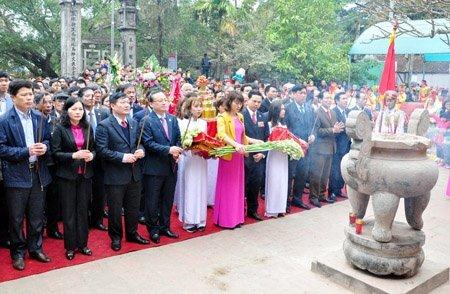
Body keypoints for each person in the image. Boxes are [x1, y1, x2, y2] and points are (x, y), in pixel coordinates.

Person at [0, 80, 52, 270]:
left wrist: (45, 146)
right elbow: (2, 149)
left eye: (30, 94)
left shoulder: (39, 117)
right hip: (16, 175)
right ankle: (18, 253)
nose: (29, 98)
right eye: (24, 95)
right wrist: (26, 151)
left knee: (37, 215)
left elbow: (48, 139)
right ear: (13, 98)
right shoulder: (5, 120)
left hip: (38, 174)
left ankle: (35, 248)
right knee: (16, 218)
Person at [96, 92, 149, 251]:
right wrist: (122, 157)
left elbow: (139, 143)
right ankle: (116, 237)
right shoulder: (104, 125)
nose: (127, 105)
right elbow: (101, 150)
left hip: (134, 173)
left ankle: (132, 234)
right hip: (115, 175)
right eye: (122, 102)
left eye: (128, 102)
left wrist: (141, 150)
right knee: (115, 209)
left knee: (133, 207)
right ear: (112, 105)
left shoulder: (133, 122)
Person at [51, 97, 95, 260]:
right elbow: (55, 153)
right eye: (74, 109)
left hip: (84, 174)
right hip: (67, 176)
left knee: (83, 211)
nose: (78, 112)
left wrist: (91, 155)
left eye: (80, 109)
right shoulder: (60, 129)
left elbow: (94, 149)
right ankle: (70, 246)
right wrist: (73, 155)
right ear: (66, 111)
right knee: (69, 212)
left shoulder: (88, 127)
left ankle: (83, 244)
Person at [214, 91, 261, 229]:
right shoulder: (222, 117)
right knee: (228, 186)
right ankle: (226, 219)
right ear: (229, 102)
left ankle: (236, 218)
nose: (239, 105)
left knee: (238, 187)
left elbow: (243, 136)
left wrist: (253, 141)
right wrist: (236, 145)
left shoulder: (240, 116)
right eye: (236, 102)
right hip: (229, 156)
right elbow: (222, 135)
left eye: (240, 103)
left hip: (239, 156)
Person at [142, 89, 183, 244]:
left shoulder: (172, 119)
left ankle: (165, 226)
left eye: (165, 99)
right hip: (154, 168)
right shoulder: (146, 120)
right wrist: (168, 150)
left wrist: (177, 151)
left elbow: (177, 139)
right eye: (159, 100)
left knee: (167, 199)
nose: (164, 102)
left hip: (171, 166)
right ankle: (153, 229)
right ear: (151, 104)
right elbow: (148, 143)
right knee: (152, 200)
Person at [80, 87, 109, 231]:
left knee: (99, 191)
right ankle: (84, 218)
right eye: (87, 95)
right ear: (81, 98)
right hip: (84, 156)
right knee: (84, 192)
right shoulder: (77, 114)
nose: (91, 98)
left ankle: (97, 219)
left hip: (101, 156)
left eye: (93, 95)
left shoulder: (103, 112)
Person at [177, 96, 208, 232]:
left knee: (201, 187)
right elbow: (180, 142)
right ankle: (189, 220)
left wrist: (205, 150)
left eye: (200, 106)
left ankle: (201, 219)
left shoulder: (203, 123)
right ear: (189, 108)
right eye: (195, 106)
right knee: (190, 187)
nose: (199, 109)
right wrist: (190, 149)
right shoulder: (182, 123)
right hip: (189, 158)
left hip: (200, 159)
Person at [309, 92, 344, 208]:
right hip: (319, 148)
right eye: (326, 98)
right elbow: (316, 131)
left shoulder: (332, 112)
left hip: (330, 147)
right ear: (320, 100)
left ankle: (322, 195)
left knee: (325, 175)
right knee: (317, 174)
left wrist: (337, 129)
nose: (329, 100)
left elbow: (334, 128)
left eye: (330, 98)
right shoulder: (317, 112)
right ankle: (313, 197)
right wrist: (332, 130)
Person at [285, 85, 315, 210]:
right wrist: (298, 140)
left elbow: (313, 126)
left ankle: (297, 199)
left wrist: (313, 135)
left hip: (306, 148)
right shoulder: (287, 109)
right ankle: (285, 201)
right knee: (289, 174)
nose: (304, 95)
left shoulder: (309, 108)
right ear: (294, 94)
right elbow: (286, 129)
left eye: (305, 93)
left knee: (302, 174)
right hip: (293, 147)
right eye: (301, 93)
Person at [242, 90, 269, 221]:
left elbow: (267, 138)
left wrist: (263, 153)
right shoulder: (241, 115)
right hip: (244, 156)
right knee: (242, 185)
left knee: (255, 185)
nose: (257, 104)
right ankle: (240, 210)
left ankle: (253, 210)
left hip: (258, 158)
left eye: (259, 102)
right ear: (248, 100)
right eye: (254, 101)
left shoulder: (263, 117)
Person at [265, 100, 289, 217]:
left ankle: (281, 207)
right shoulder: (269, 124)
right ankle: (272, 209)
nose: (283, 111)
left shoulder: (284, 124)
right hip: (274, 154)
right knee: (274, 180)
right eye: (281, 109)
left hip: (283, 155)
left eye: (284, 109)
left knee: (282, 180)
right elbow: (268, 140)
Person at [329, 92, 351, 201]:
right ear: (337, 101)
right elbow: (339, 128)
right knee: (335, 169)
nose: (346, 101)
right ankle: (332, 191)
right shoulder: (334, 112)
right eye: (343, 99)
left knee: (343, 167)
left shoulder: (348, 112)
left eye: (346, 98)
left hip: (347, 144)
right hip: (337, 144)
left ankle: (339, 189)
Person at [0, 71, 13, 249]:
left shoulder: (11, 100)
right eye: (0, 81)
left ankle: (5, 235)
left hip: (8, 155)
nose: (3, 83)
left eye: (5, 80)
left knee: (5, 200)